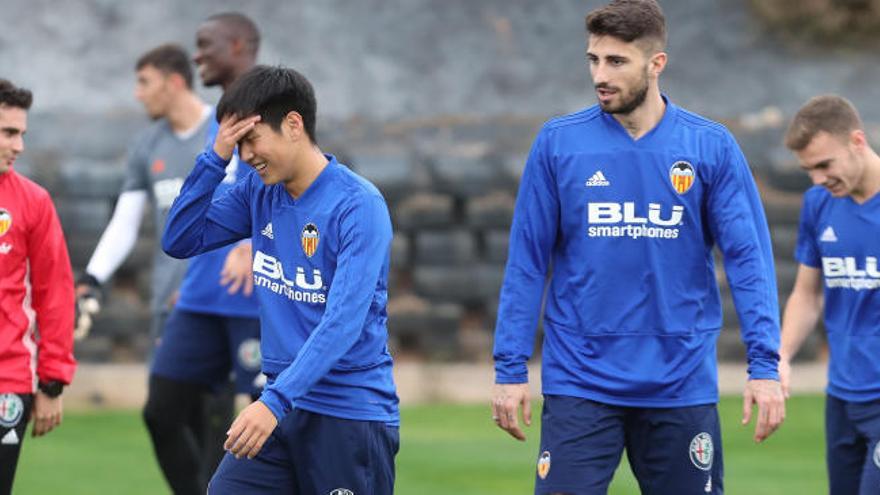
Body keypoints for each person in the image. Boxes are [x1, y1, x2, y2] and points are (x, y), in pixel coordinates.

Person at [490, 1, 785, 493]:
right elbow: (526, 262)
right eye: (593, 60)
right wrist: (509, 367)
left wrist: (765, 367)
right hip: (580, 380)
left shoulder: (709, 147)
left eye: (616, 62)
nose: (600, 76)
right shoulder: (559, 144)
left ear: (656, 63)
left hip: (680, 382)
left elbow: (748, 263)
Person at [163, 65, 400, 494]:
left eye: (250, 139)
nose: (245, 155)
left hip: (347, 414)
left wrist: (273, 402)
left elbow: (342, 322)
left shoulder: (358, 205)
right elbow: (180, 238)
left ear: (293, 124)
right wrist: (214, 158)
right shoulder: (259, 191)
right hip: (281, 405)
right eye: (237, 144)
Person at [141, 14, 264, 494]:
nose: (196, 57)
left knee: (256, 429)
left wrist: (251, 243)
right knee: (161, 411)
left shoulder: (273, 103)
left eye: (205, 45)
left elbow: (295, 182)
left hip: (254, 298)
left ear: (237, 45)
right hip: (199, 296)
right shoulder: (217, 117)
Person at [779, 95, 880, 495]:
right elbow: (807, 295)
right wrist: (781, 357)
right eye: (809, 170)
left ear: (857, 141)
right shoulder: (818, 204)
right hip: (841, 396)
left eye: (824, 165)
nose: (818, 179)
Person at [0, 79, 77, 495]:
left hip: (7, 379)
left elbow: (56, 294)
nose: (19, 146)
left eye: (22, 134)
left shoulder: (33, 202)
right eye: (9, 133)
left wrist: (52, 381)